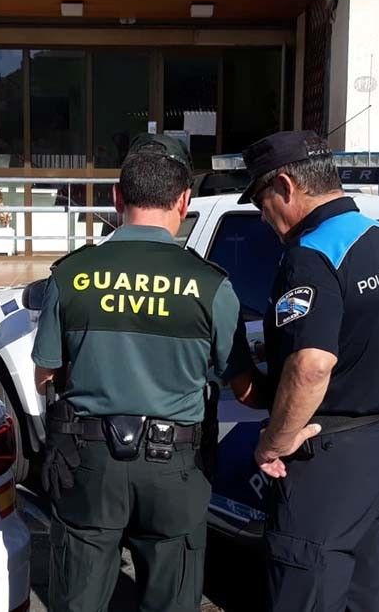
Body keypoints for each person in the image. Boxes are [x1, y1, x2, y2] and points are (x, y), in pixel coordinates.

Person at [31, 134, 277, 612]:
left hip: (89, 465)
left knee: (77, 598)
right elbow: (244, 388)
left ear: (117, 198)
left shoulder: (70, 276)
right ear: (184, 201)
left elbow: (46, 375)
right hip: (176, 469)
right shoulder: (212, 286)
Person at [238, 130, 379, 612]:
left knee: (307, 589)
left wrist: (275, 440)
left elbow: (312, 365)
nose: (262, 215)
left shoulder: (310, 256)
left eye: (261, 199)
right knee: (375, 591)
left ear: (285, 185)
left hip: (329, 456)